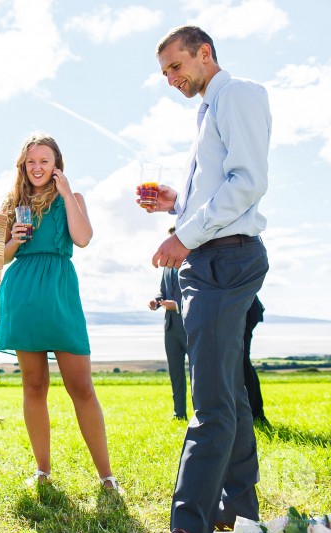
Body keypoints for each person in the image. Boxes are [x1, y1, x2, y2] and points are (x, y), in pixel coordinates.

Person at [141, 26, 271, 533]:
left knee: (211, 406)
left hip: (225, 262)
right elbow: (224, 186)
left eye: (176, 66)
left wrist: (184, 235)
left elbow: (249, 183)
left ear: (205, 53)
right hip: (212, 260)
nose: (171, 79)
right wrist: (178, 202)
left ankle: (186, 525)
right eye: (165, 72)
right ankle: (239, 515)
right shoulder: (208, 110)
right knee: (229, 395)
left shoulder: (236, 94)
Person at [0, 133, 119, 492]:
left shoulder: (71, 199)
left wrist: (66, 193)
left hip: (60, 295)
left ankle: (107, 476)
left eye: (45, 161)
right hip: (23, 296)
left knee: (81, 387)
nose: (37, 167)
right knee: (33, 385)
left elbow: (83, 238)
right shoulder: (12, 203)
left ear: (57, 165)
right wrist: (13, 238)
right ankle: (42, 471)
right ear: (23, 166)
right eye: (31, 161)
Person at [149, 227, 189, 420]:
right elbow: (163, 290)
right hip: (170, 326)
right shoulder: (166, 266)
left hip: (190, 326)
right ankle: (179, 413)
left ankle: (201, 412)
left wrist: (178, 306)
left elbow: (198, 296)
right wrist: (156, 301)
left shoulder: (192, 262)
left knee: (198, 373)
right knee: (175, 372)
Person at [243, 296, 267, 424]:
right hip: (245, 309)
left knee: (242, 363)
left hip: (244, 310)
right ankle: (255, 412)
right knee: (243, 362)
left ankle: (256, 413)